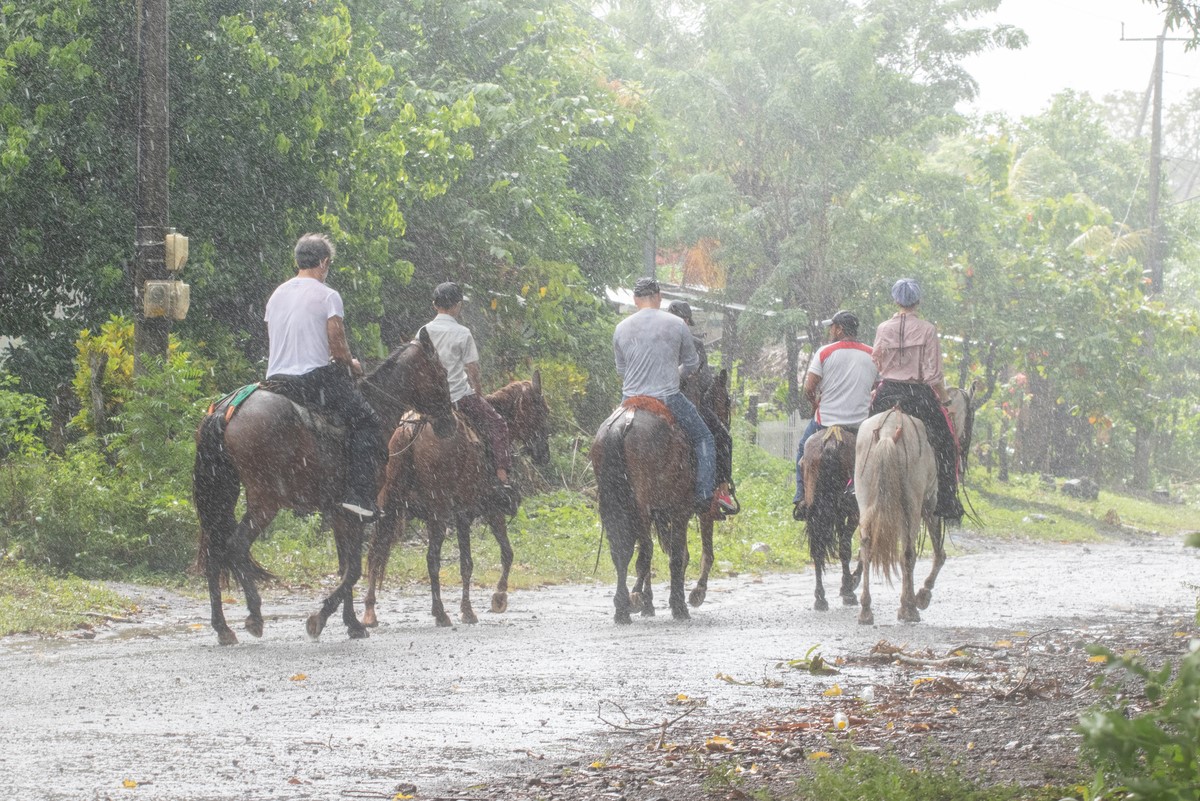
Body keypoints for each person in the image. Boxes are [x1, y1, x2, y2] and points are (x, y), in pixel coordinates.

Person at [264, 233, 383, 522]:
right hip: (312, 379)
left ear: (298, 260)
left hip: (275, 380)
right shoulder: (328, 295)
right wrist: (352, 364)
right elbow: (338, 347)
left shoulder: (276, 294)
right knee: (367, 420)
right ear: (324, 262)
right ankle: (359, 497)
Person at [614, 278, 717, 516]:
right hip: (667, 397)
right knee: (704, 437)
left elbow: (621, 370)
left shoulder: (621, 327)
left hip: (629, 399)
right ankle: (703, 495)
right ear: (659, 297)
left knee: (611, 431)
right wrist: (674, 372)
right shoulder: (676, 324)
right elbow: (692, 363)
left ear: (635, 300)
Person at [869, 278, 964, 522]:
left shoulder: (883, 328)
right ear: (917, 301)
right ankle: (947, 498)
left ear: (895, 300)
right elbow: (934, 375)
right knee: (947, 441)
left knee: (867, 436)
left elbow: (876, 360)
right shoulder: (927, 329)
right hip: (918, 395)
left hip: (887, 392)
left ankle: (854, 485)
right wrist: (944, 401)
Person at [424, 281, 518, 513]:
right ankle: (502, 477)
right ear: (457, 306)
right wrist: (478, 392)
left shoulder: (423, 331)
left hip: (430, 402)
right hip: (460, 398)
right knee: (498, 424)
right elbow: (472, 369)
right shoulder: (463, 333)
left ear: (435, 305)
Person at [792, 310, 877, 521]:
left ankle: (802, 496)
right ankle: (864, 492)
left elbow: (809, 388)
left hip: (825, 422)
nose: (831, 331)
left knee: (803, 449)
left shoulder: (824, 352)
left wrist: (815, 402)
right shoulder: (871, 354)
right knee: (875, 458)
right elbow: (876, 387)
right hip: (858, 425)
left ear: (839, 329)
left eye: (832, 327)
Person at [667, 300, 737, 515]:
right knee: (722, 438)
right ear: (687, 320)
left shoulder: (658, 338)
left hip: (652, 397)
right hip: (687, 404)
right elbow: (705, 380)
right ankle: (719, 490)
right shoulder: (694, 343)